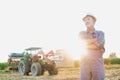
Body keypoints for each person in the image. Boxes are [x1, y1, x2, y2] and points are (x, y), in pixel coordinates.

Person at [79, 14, 105, 80]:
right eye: (85, 20)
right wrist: (94, 40)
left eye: (88, 19)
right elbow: (81, 44)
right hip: (84, 63)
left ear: (94, 21)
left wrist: (86, 44)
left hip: (97, 63)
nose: (86, 21)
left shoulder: (100, 33)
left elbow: (100, 45)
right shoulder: (81, 33)